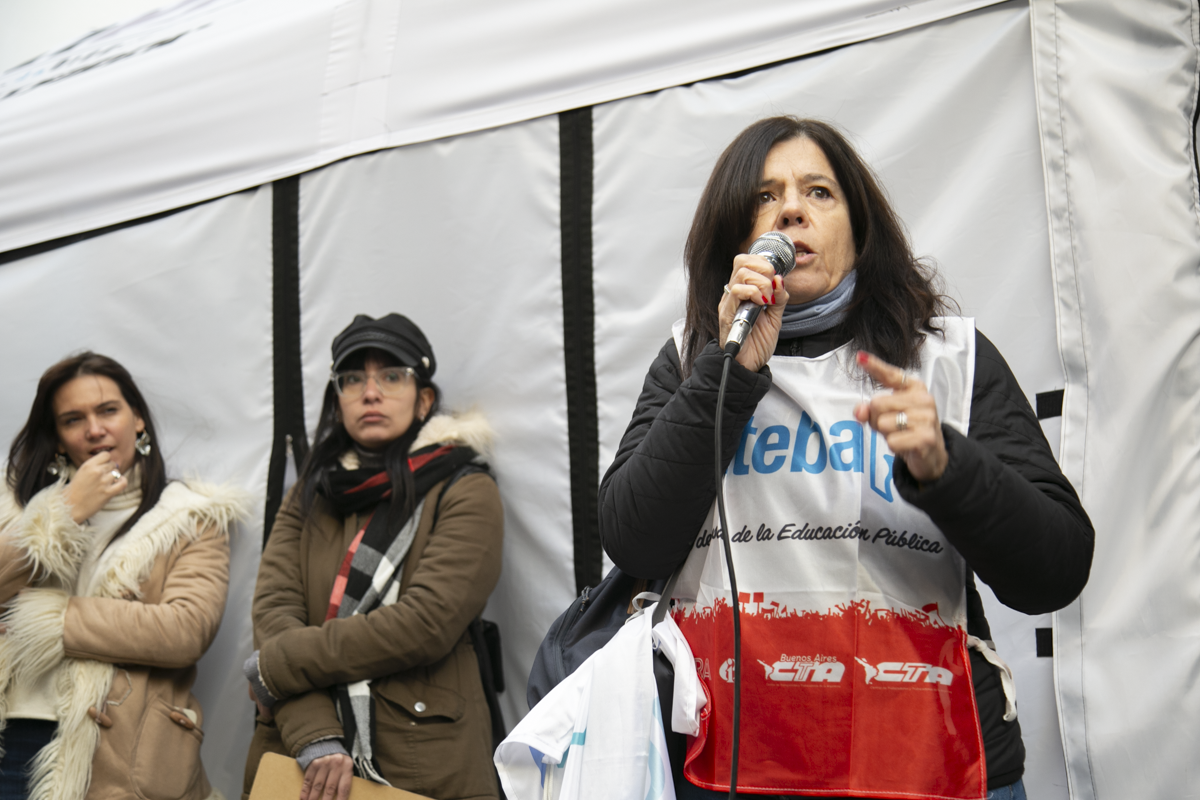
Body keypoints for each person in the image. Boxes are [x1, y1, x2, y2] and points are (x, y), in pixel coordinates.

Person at [599, 117, 1094, 800]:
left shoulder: (946, 358)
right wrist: (728, 373)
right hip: (734, 769)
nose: (791, 210)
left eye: (819, 192)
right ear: (734, 238)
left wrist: (946, 467)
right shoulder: (691, 361)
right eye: (765, 196)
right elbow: (634, 541)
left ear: (860, 230)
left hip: (930, 763)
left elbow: (1056, 570)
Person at [242, 313, 503, 800]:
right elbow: (274, 612)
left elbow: (426, 623)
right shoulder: (309, 494)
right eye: (352, 379)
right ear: (337, 399)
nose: (370, 392)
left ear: (424, 399)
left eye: (391, 376)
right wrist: (314, 733)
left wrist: (276, 665)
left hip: (423, 760)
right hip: (299, 755)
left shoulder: (466, 488)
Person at [0, 352, 245, 800]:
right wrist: (67, 511)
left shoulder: (189, 516)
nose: (94, 429)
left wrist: (49, 619)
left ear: (138, 420)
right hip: (13, 739)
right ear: (58, 438)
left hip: (119, 751)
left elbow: (185, 629)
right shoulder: (15, 505)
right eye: (73, 419)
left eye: (108, 410)